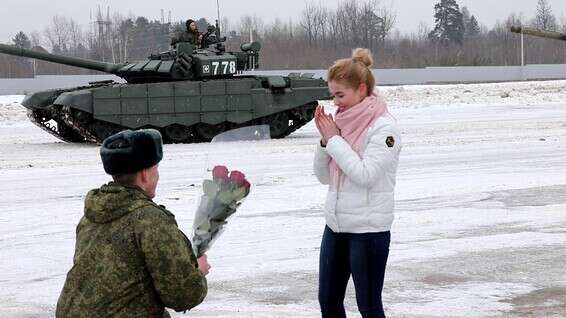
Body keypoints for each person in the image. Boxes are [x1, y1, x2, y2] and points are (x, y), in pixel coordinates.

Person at [56, 129, 210, 318]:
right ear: (145, 174)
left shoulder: (91, 215)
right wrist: (198, 273)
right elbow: (181, 296)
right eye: (156, 168)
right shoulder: (150, 220)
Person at [313, 48, 401, 318]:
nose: (336, 103)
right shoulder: (341, 124)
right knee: (328, 301)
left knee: (368, 306)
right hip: (336, 226)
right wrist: (325, 140)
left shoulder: (384, 128)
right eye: (332, 95)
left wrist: (334, 140)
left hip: (369, 230)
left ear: (361, 89)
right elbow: (323, 176)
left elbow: (365, 175)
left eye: (341, 95)